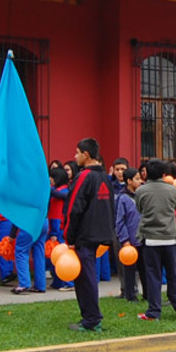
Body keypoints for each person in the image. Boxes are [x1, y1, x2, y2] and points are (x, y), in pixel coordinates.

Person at [63, 137, 113, 331]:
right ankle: (91, 317)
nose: (75, 157)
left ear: (86, 154)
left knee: (85, 278)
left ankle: (91, 319)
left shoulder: (84, 176)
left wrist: (69, 237)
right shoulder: (104, 178)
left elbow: (74, 208)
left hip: (85, 235)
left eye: (77, 153)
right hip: (100, 233)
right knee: (89, 276)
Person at [135, 159, 176, 320]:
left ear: (146, 174)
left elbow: (140, 209)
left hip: (150, 238)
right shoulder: (172, 190)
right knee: (174, 274)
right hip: (170, 237)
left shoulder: (141, 191)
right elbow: (175, 208)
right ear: (164, 174)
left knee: (153, 276)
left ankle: (153, 311)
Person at [113, 167, 142, 302]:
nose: (140, 181)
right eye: (137, 179)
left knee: (144, 268)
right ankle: (130, 295)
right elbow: (120, 221)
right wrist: (124, 239)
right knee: (129, 270)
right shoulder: (122, 198)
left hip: (142, 238)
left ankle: (147, 293)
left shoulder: (141, 195)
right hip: (129, 240)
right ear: (129, 181)